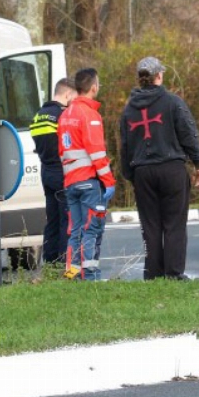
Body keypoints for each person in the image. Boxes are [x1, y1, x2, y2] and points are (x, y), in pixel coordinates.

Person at [118, 56, 199, 281]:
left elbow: (125, 145)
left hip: (143, 172)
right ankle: (174, 273)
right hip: (171, 169)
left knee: (151, 225)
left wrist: (131, 174)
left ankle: (153, 273)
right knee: (174, 223)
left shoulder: (129, 110)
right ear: (159, 76)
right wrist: (198, 164)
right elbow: (188, 133)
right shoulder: (172, 102)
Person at [58, 68, 115, 280]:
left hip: (71, 183)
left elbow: (63, 151)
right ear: (93, 87)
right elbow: (97, 152)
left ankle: (72, 273)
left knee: (75, 231)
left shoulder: (65, 115)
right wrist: (108, 181)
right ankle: (89, 275)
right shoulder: (90, 115)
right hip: (89, 182)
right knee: (91, 229)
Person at [30, 78, 77, 267]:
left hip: (46, 172)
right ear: (67, 94)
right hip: (62, 173)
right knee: (66, 220)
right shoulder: (63, 116)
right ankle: (65, 263)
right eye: (73, 97)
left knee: (52, 220)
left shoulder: (38, 116)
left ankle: (50, 262)